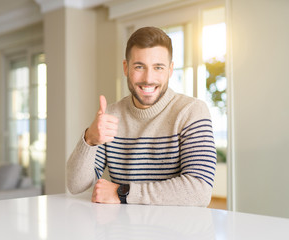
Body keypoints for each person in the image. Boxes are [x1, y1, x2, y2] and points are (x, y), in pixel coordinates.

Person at [66, 26, 216, 206]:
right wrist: (89, 138)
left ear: (170, 70)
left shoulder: (192, 111)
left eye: (158, 67)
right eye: (139, 67)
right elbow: (75, 185)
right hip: (124, 230)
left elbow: (199, 191)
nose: (148, 78)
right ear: (126, 68)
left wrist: (122, 192)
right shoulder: (112, 115)